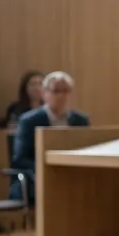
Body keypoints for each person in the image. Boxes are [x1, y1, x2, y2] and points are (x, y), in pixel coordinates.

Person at [9, 71, 89, 202]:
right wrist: (49, 169)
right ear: (45, 93)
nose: (61, 96)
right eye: (56, 91)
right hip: (36, 179)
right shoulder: (29, 121)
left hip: (71, 176)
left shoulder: (81, 120)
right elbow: (20, 159)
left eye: (66, 91)